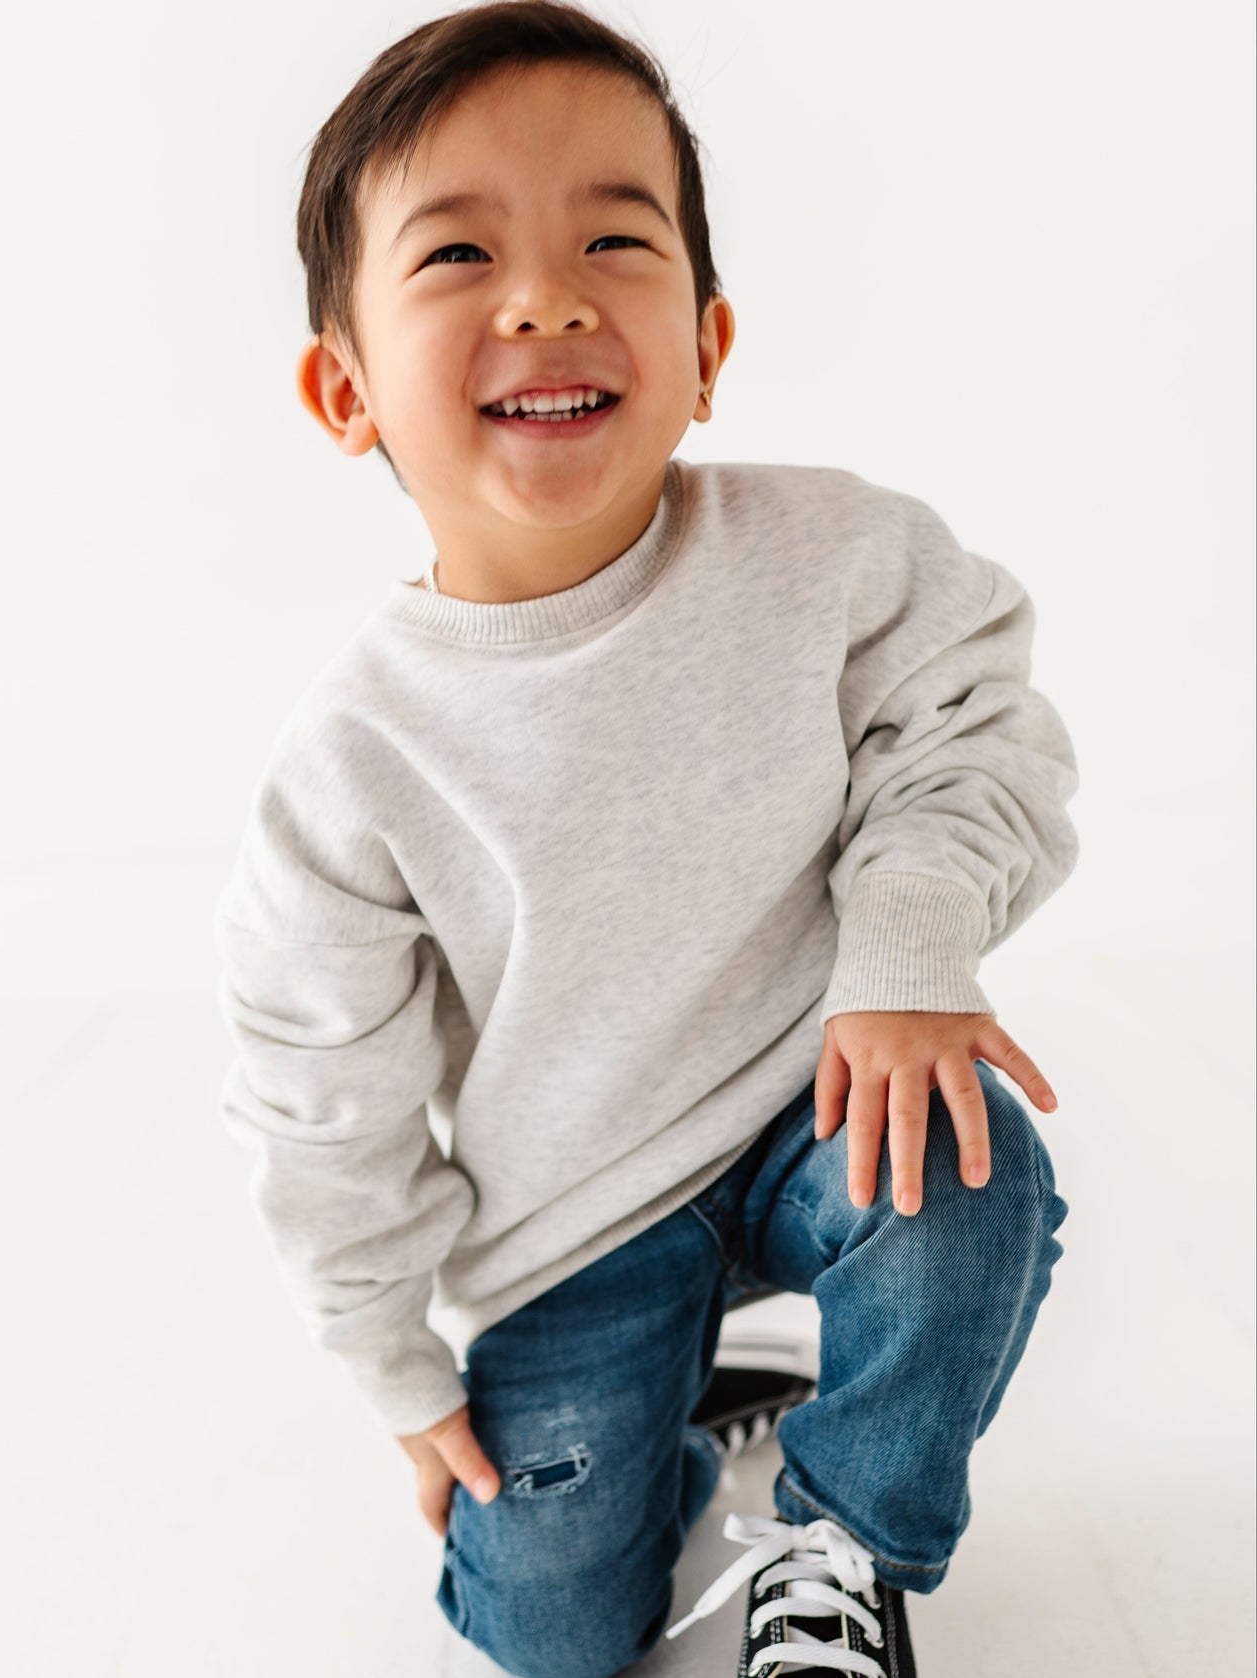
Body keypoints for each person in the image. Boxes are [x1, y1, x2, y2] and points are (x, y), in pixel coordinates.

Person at [211, 4, 1079, 1674]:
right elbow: (318, 1096)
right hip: (576, 1224)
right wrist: (396, 1368)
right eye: (458, 253)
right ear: (343, 388)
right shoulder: (351, 758)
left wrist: (908, 954)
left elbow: (976, 731)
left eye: (615, 236)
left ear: (704, 340)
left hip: (833, 1104)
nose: (547, 295)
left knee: (965, 1156)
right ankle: (681, 1399)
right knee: (551, 1631)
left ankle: (836, 1539)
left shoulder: (833, 553)